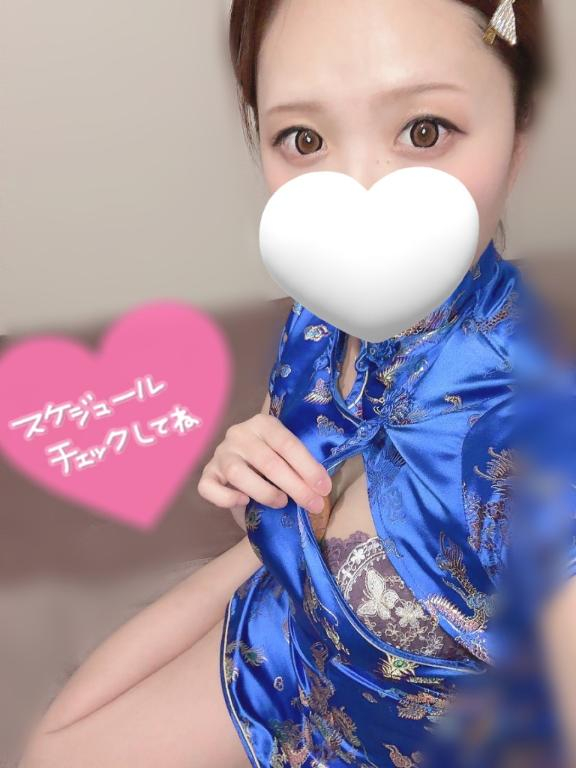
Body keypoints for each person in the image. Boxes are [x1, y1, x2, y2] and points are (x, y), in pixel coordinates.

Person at [19, 1, 576, 766]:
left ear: (517, 137)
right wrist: (260, 492)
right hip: (289, 637)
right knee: (48, 748)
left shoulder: (536, 444)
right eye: (304, 140)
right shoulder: (318, 317)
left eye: (424, 131)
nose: (359, 195)